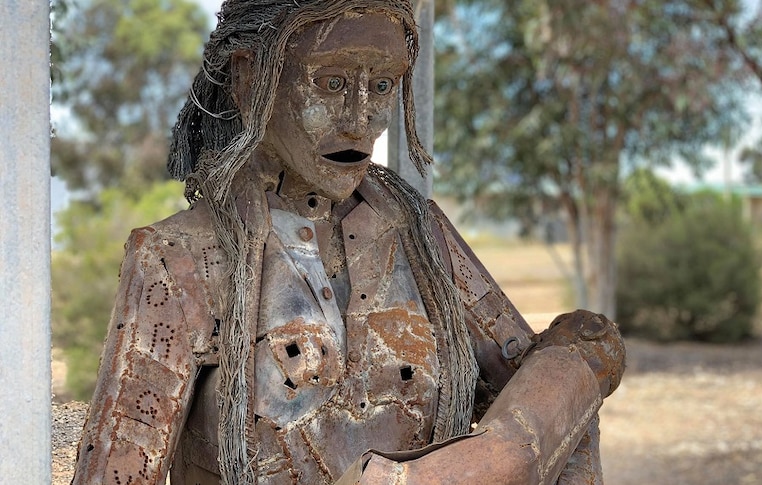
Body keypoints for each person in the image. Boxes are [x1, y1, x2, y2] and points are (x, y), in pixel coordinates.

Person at [72, 1, 625, 484]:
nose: (362, 118)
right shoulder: (179, 261)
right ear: (248, 79)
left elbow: (568, 365)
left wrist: (510, 441)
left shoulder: (421, 236)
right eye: (332, 83)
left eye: (382, 86)